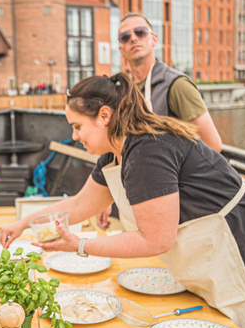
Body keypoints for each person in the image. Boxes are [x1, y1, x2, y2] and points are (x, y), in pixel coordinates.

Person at [0, 73, 245, 328]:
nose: (74, 136)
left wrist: (79, 245)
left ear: (104, 116)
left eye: (77, 126)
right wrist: (22, 223)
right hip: (217, 251)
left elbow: (155, 239)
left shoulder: (148, 150)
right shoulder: (114, 153)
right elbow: (78, 205)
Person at [96, 13, 224, 230]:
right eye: (125, 37)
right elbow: (119, 150)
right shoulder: (123, 94)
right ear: (121, 49)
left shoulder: (176, 86)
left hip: (180, 202)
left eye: (140, 32)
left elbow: (213, 146)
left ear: (153, 39)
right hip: (140, 199)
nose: (134, 39)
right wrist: (106, 198)